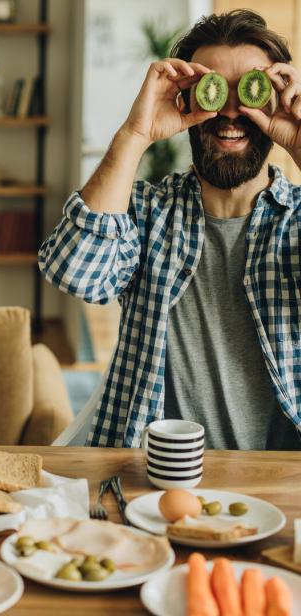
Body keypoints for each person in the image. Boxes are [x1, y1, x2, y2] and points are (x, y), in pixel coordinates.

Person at [39, 10, 301, 450]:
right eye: (215, 89)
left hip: (283, 485)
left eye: (250, 92)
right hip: (154, 477)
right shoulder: (146, 212)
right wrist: (136, 132)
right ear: (187, 98)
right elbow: (74, 272)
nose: (232, 111)